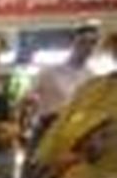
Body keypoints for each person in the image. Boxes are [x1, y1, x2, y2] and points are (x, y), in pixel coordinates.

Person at [23, 25, 100, 153]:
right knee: (37, 169)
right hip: (48, 127)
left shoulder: (92, 77)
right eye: (83, 42)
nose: (87, 47)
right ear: (73, 43)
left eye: (92, 43)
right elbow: (27, 97)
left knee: (70, 171)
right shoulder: (49, 72)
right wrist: (31, 111)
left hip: (76, 132)